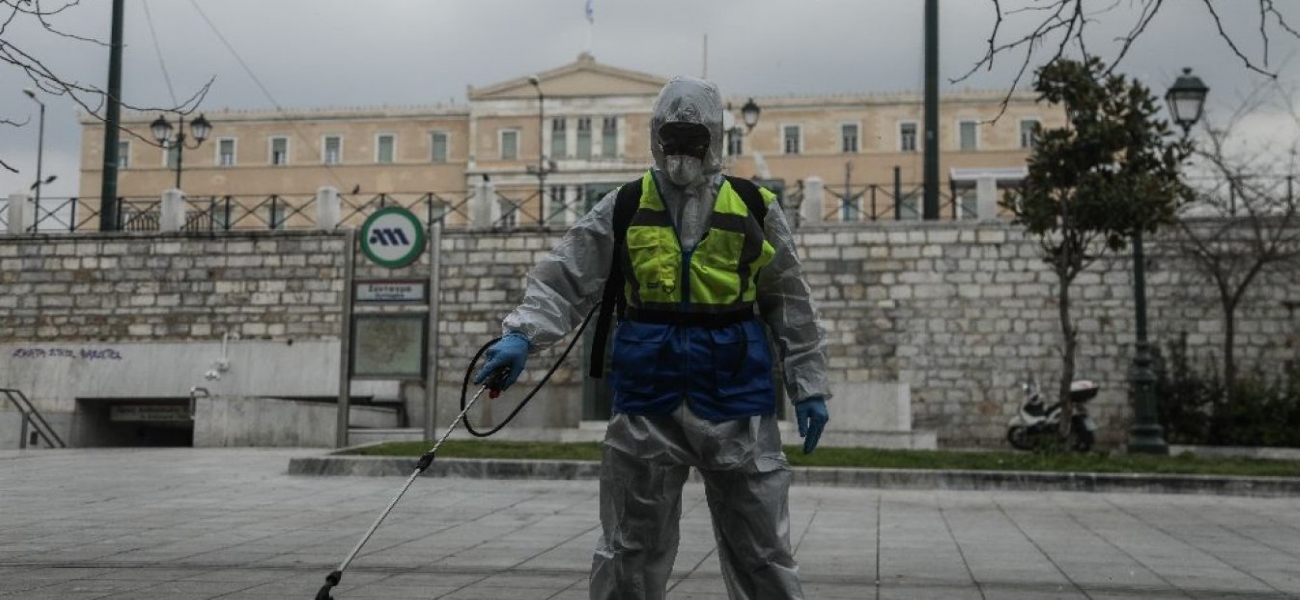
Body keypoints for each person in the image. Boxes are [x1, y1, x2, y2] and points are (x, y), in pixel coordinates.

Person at [474, 75, 830, 600]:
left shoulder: (753, 207)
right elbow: (565, 277)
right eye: (672, 138)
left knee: (762, 550)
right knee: (629, 549)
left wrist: (809, 383)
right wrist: (522, 335)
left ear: (714, 137)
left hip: (734, 398)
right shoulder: (624, 205)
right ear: (655, 136)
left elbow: (790, 301)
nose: (681, 151)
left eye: (693, 139)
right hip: (649, 397)